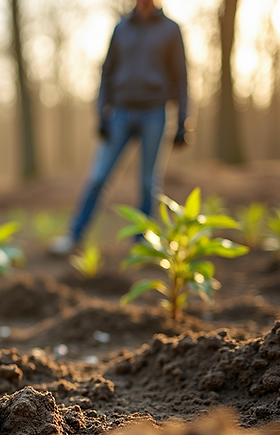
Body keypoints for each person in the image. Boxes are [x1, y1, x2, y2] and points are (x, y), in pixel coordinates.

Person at [50, 0, 188, 255]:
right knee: (98, 178)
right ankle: (74, 236)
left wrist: (182, 121)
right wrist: (102, 113)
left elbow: (181, 77)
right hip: (120, 114)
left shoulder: (170, 30)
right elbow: (107, 71)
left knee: (148, 183)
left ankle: (141, 242)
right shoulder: (121, 28)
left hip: (155, 113)